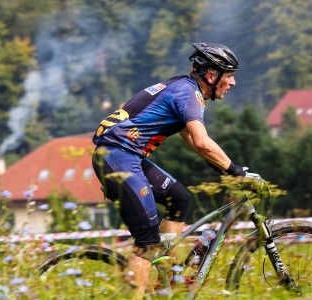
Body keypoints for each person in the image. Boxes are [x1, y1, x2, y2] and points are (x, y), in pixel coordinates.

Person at [91, 42, 261, 299]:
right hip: (119, 158)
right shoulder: (188, 95)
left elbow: (191, 139)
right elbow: (202, 142)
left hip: (124, 156)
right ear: (212, 76)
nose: (233, 83)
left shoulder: (181, 86)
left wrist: (221, 167)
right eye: (229, 75)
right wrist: (237, 172)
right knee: (146, 244)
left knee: (179, 198)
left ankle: (166, 277)